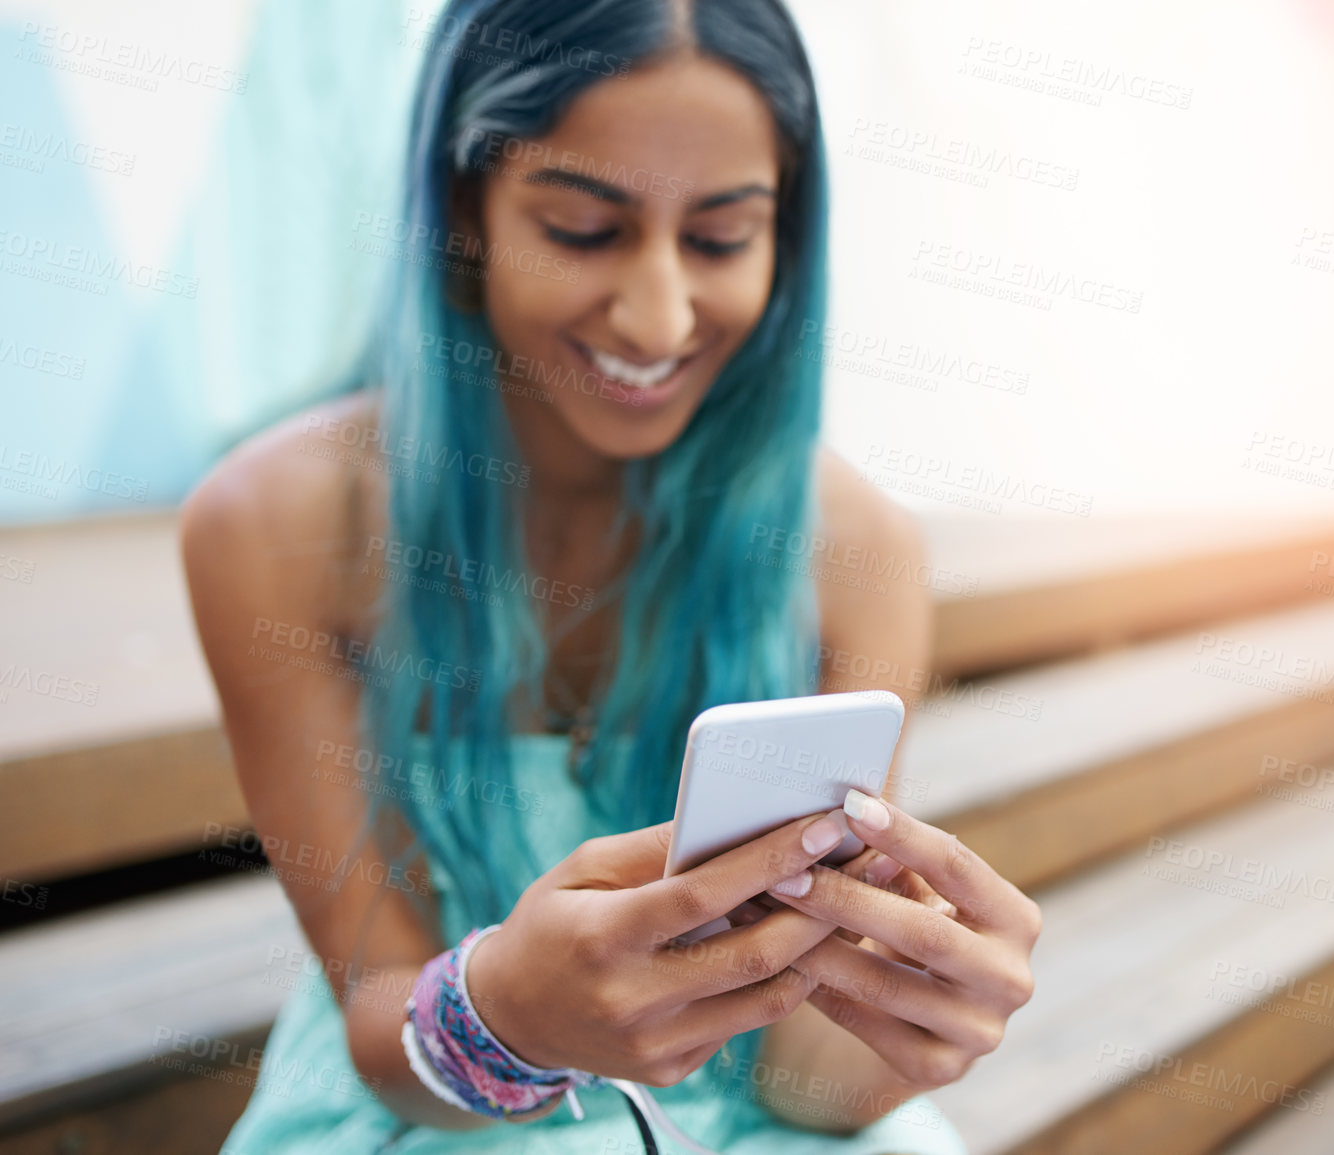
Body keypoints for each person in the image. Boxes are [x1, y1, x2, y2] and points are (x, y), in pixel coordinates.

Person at [180, 0, 1040, 1150]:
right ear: (461, 212)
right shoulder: (276, 526)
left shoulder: (856, 548)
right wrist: (508, 1016)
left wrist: (916, 1028)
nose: (660, 313)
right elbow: (385, 1036)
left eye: (724, 238)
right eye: (585, 228)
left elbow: (795, 1084)